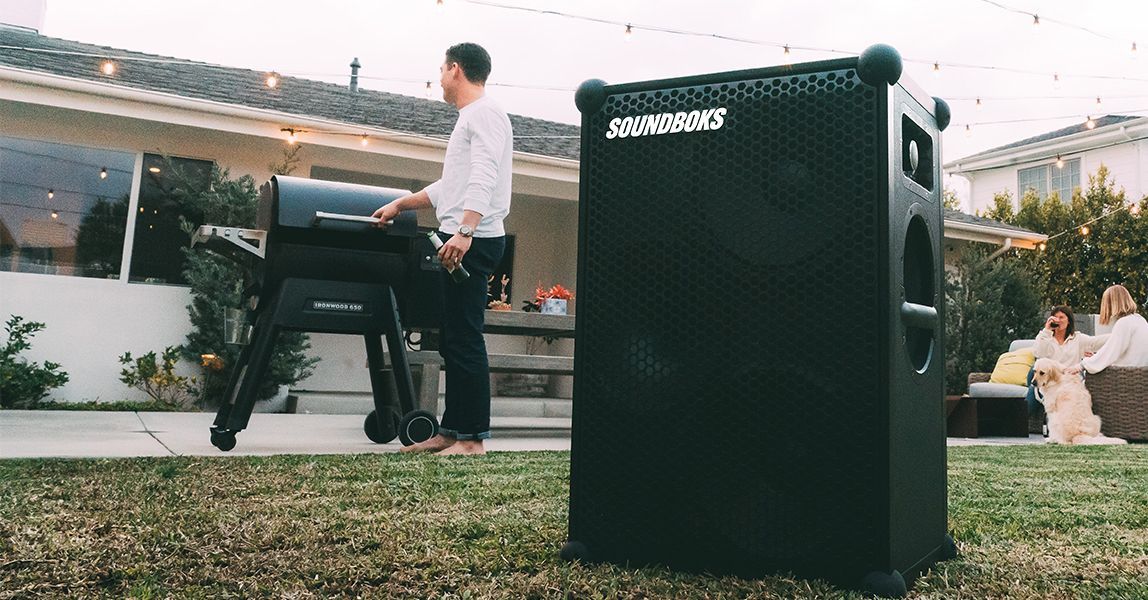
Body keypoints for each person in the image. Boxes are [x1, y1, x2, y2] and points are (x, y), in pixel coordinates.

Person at [371, 43, 512, 455]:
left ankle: (472, 441)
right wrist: (401, 203)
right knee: (451, 338)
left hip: (476, 239)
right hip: (464, 237)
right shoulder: (470, 118)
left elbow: (484, 175)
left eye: (441, 68)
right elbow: (450, 187)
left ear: (455, 69)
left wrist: (466, 231)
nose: (439, 75)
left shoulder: (484, 113)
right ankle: (451, 433)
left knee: (464, 337)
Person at [1024, 305, 1106, 416]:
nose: (1057, 320)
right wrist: (1047, 330)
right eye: (1055, 317)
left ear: (1068, 321)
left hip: (1068, 379)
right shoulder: (1045, 337)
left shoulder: (1077, 339)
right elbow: (1038, 353)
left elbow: (1096, 342)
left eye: (1061, 317)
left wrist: (1118, 335)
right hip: (1047, 379)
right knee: (1033, 374)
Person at [1066, 285, 1148, 375]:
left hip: (1125, 376)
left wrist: (1082, 365)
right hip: (1140, 375)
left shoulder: (1124, 323)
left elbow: (1111, 350)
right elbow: (1126, 353)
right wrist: (1096, 358)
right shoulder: (1140, 320)